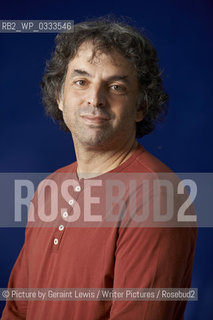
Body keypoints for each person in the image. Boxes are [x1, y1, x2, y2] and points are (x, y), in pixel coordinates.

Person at [1, 17, 197, 319]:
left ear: (141, 106)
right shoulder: (50, 188)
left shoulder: (158, 198)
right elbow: (17, 309)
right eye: (81, 82)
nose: (95, 99)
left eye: (116, 87)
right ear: (60, 96)